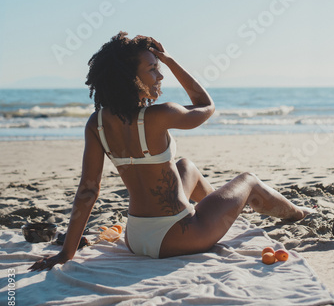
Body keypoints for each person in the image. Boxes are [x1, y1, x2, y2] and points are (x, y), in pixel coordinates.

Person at [29, 32, 312, 271]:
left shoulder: (97, 123)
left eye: (159, 67)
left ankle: (217, 211)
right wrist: (171, 60)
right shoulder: (160, 114)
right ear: (130, 79)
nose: (160, 74)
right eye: (152, 68)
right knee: (248, 180)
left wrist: (66, 254)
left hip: (136, 237)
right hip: (179, 237)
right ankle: (297, 213)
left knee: (185, 166)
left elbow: (88, 191)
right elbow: (206, 104)